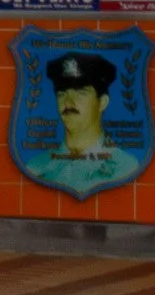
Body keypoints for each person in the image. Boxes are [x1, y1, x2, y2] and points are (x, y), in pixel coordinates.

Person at [25, 50, 143, 194]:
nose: (68, 102)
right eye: (61, 93)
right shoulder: (36, 167)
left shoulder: (125, 168)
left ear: (102, 102)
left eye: (81, 92)